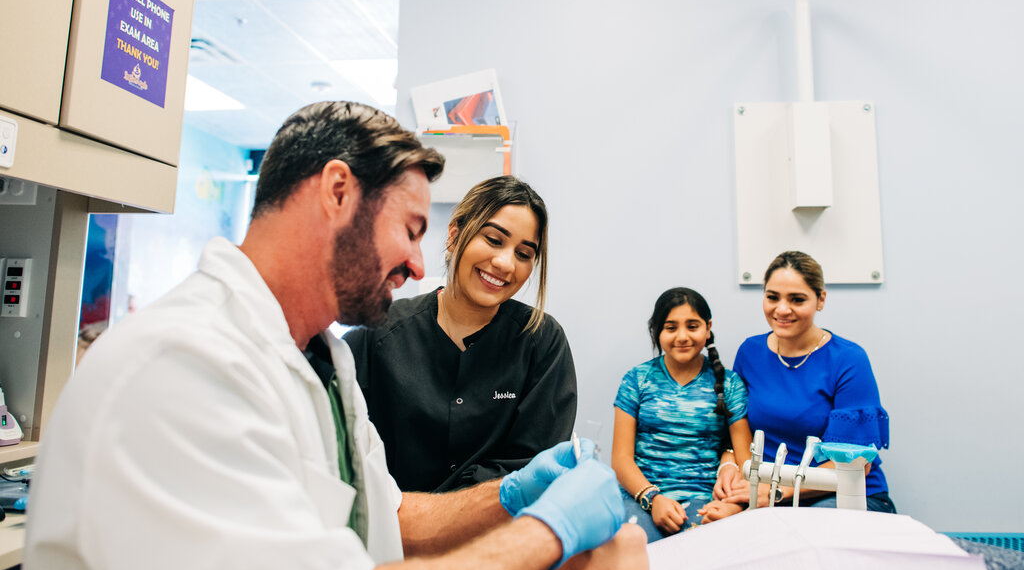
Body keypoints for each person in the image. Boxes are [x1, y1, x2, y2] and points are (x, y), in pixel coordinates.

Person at [23, 101, 648, 570]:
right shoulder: (181, 365)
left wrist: (510, 494)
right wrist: (548, 532)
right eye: (410, 229)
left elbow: (392, 519)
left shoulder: (327, 363)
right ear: (338, 191)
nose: (414, 261)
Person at [346, 175, 576, 492]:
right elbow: (342, 450)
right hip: (393, 529)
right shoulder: (378, 334)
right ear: (454, 235)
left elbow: (533, 468)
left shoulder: (541, 342)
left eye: (523, 254)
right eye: (494, 240)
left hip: (495, 533)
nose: (505, 263)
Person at [704, 250, 896, 518]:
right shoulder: (750, 352)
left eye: (797, 299)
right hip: (767, 494)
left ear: (820, 300)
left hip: (841, 495)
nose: (782, 309)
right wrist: (728, 468)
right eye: (773, 297)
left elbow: (856, 465)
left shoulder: (848, 360)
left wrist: (774, 492)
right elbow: (737, 431)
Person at [610, 287, 752, 542]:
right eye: (671, 327)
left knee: (701, 549)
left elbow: (746, 462)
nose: (682, 336)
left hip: (706, 498)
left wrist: (733, 505)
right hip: (642, 493)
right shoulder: (637, 380)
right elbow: (621, 459)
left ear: (708, 328)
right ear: (657, 330)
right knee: (631, 545)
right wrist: (653, 499)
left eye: (693, 326)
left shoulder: (730, 384)